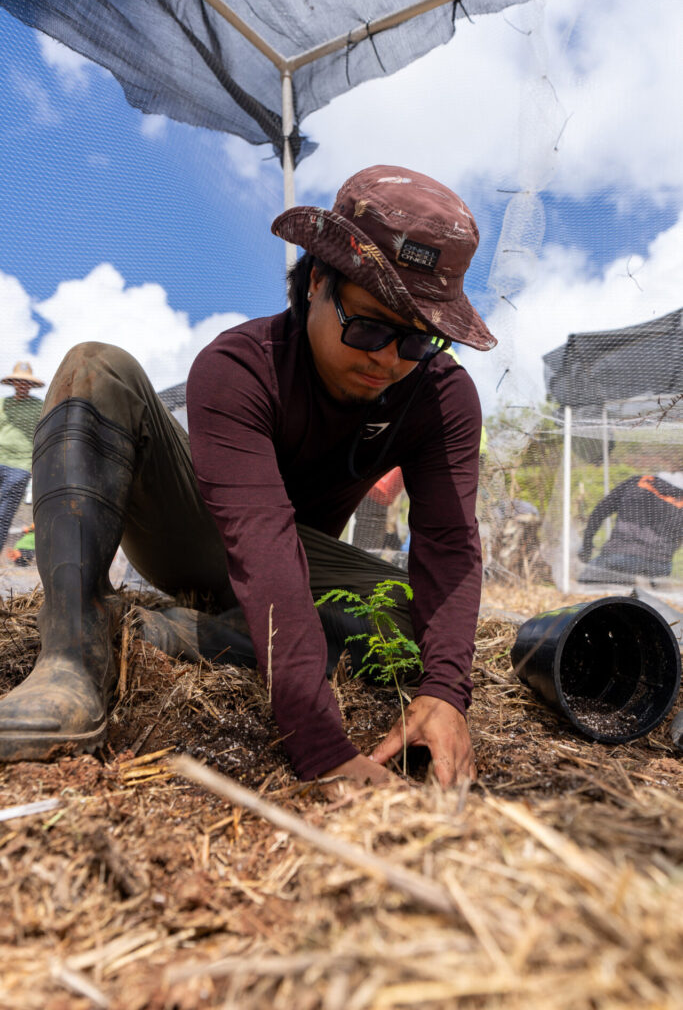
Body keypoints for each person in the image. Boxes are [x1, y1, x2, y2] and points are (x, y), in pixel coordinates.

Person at [0, 165, 496, 787]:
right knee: (98, 366)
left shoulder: (439, 395)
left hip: (304, 557)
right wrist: (319, 746)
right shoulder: (237, 366)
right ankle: (70, 656)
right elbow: (259, 535)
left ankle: (158, 630)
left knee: (415, 618)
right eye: (368, 326)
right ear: (316, 281)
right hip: (201, 528)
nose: (386, 360)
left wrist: (447, 693)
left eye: (417, 342)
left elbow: (449, 547)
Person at [578, 472, 683, 583]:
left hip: (618, 557)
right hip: (660, 566)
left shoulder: (638, 482)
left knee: (585, 584)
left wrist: (586, 547)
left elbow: (599, 513)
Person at [0, 362, 44, 552]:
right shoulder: (3, 403)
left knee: (3, 514)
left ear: (31, 385)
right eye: (19, 381)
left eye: (26, 382)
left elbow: (43, 434)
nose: (22, 385)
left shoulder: (39, 407)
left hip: (20, 466)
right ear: (14, 382)